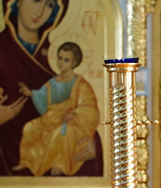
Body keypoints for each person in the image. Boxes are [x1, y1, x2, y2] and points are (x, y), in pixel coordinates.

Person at [0, 0, 103, 177]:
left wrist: (89, 141)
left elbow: (82, 109)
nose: (40, 12)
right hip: (1, 172)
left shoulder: (55, 58)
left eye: (49, 5)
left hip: (58, 151)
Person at [15, 42, 101, 176]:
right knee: (29, 128)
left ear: (74, 63)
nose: (61, 63)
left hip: (72, 123)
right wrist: (31, 94)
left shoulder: (80, 84)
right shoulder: (53, 81)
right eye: (60, 58)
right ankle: (28, 161)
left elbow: (89, 108)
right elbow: (43, 96)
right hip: (52, 118)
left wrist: (74, 114)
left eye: (66, 60)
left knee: (60, 134)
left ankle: (60, 164)